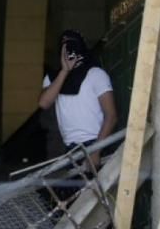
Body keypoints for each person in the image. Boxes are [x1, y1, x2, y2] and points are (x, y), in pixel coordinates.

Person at [38, 30, 117, 167]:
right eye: (65, 48)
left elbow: (111, 116)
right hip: (70, 150)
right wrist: (64, 71)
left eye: (74, 46)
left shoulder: (96, 74)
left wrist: (96, 152)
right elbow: (44, 103)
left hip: (96, 143)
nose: (71, 53)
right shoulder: (53, 78)